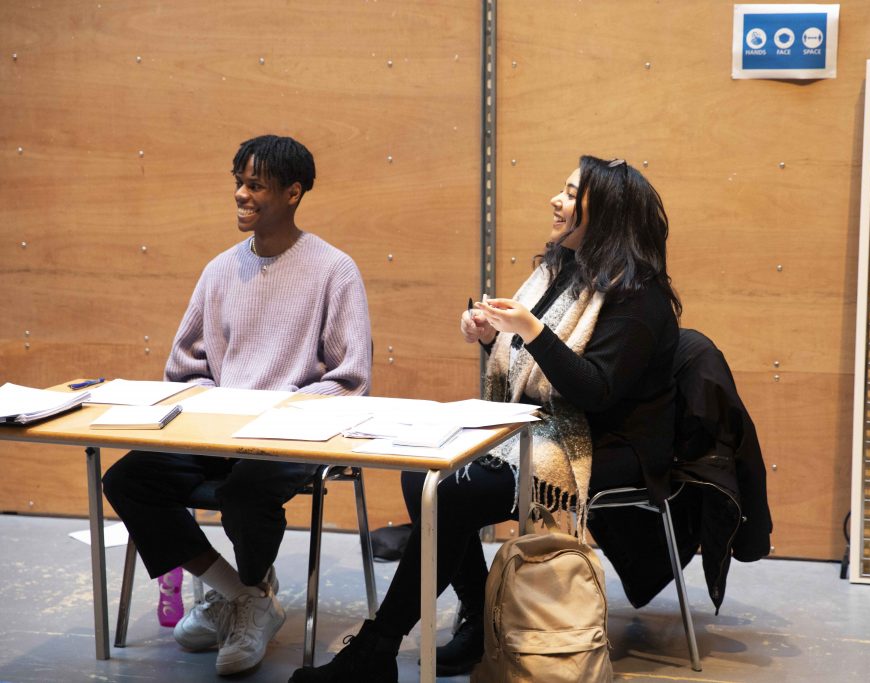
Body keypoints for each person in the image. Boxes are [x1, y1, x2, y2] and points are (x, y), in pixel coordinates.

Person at [289, 155, 681, 683]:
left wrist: (532, 332)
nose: (555, 200)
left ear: (604, 213)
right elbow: (536, 369)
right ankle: (478, 620)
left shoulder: (639, 297)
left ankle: (379, 648)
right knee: (419, 471)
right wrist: (496, 336)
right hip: (550, 425)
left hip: (609, 445)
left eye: (570, 193)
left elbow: (596, 391)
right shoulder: (563, 271)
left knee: (452, 493)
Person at [102, 135, 372, 676]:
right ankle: (241, 594)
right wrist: (214, 408)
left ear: (293, 193)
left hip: (298, 434)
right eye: (239, 183)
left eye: (256, 186)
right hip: (219, 431)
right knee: (128, 478)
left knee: (247, 488)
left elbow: (351, 378)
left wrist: (279, 412)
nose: (242, 196)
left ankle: (242, 597)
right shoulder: (220, 270)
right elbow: (184, 367)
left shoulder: (334, 270)